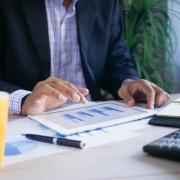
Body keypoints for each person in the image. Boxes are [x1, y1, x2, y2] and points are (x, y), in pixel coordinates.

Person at [0, 0, 169, 115]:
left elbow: (117, 61)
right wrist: (24, 100)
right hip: (26, 119)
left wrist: (129, 82)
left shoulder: (106, 3)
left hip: (90, 116)